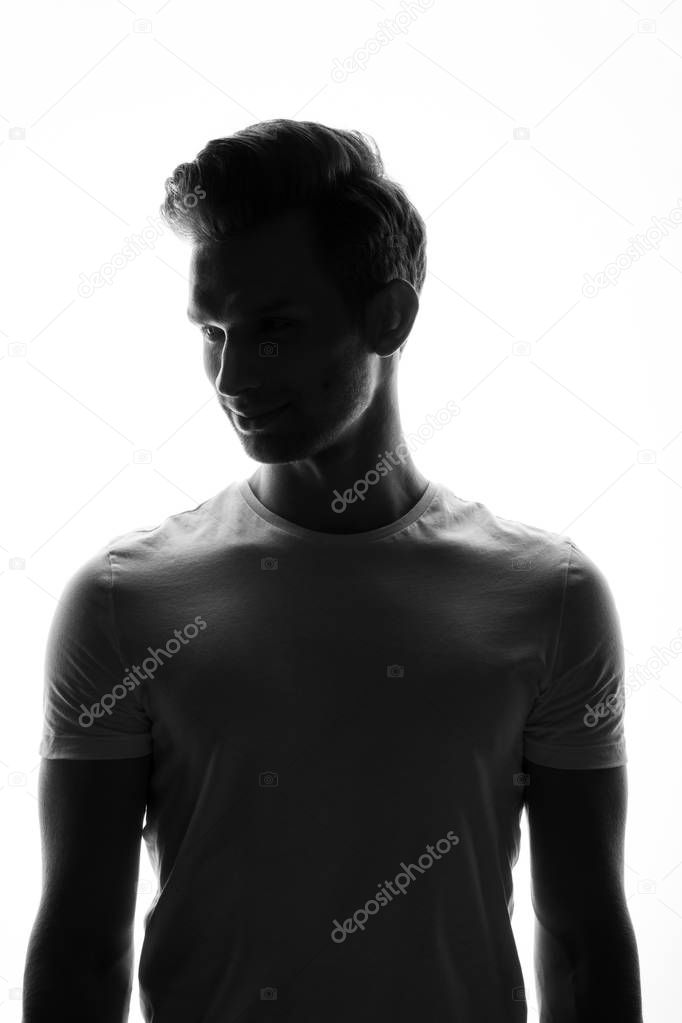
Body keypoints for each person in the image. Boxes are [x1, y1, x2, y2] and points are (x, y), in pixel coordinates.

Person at [23, 119, 643, 1022]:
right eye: (211, 330)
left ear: (388, 314)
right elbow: (82, 949)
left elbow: (585, 939)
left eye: (273, 326)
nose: (232, 373)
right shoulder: (125, 601)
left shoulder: (549, 596)